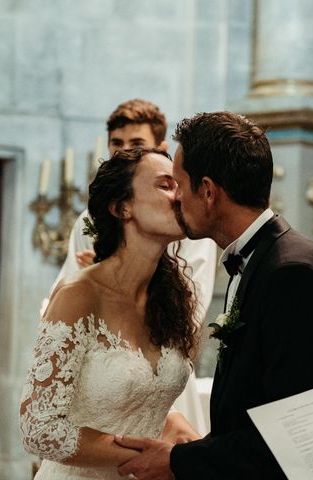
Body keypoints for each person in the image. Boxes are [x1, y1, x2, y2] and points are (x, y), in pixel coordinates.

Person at [113, 111, 313, 479]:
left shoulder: (293, 275)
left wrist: (178, 461)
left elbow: (295, 435)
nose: (175, 199)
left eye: (178, 184)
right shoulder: (263, 261)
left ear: (208, 192)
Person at [20, 148, 201, 479]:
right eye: (164, 185)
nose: (179, 197)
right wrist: (156, 459)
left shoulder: (176, 300)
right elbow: (39, 427)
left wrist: (191, 448)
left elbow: (147, 399)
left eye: (179, 185)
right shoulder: (80, 295)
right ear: (122, 207)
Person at [50, 98, 217, 434]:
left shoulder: (189, 225)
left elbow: (189, 314)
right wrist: (103, 274)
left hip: (167, 380)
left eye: (137, 144)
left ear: (161, 148)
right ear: (119, 209)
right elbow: (58, 305)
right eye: (117, 144)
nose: (123, 151)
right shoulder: (88, 223)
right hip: (103, 383)